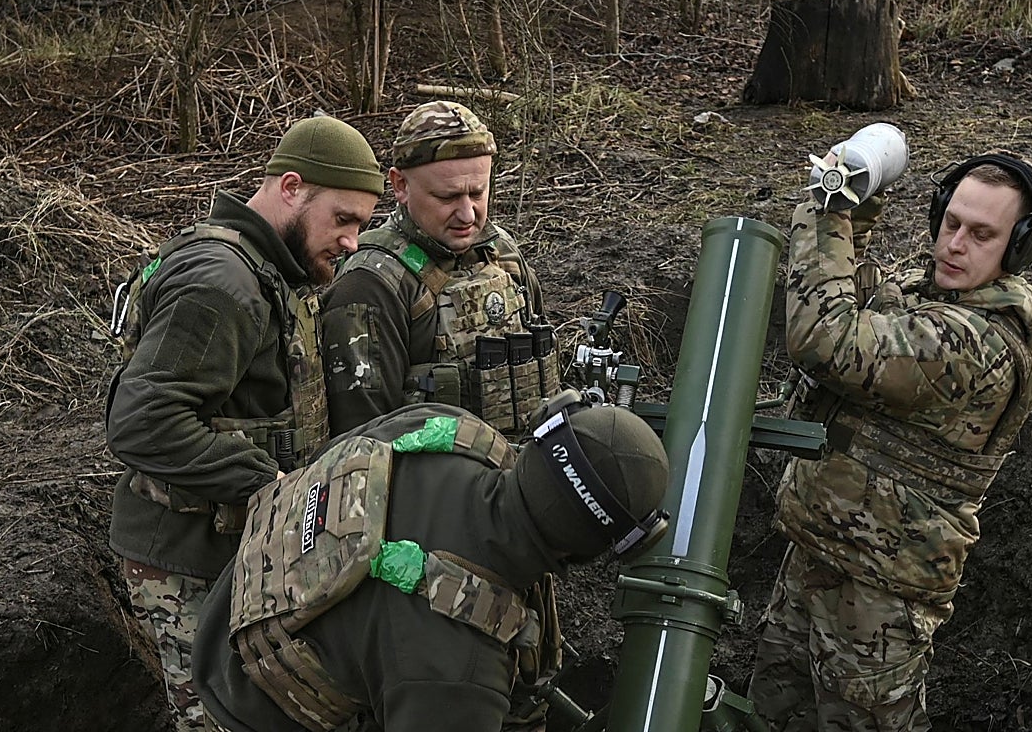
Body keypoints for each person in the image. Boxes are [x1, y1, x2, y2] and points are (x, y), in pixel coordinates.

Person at [749, 145, 1032, 730]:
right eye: (951, 223)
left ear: (1018, 248)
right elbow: (841, 288)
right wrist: (853, 207)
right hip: (816, 556)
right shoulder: (925, 298)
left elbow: (827, 339)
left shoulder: (976, 345)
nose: (955, 245)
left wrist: (825, 212)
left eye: (982, 235)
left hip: (879, 599)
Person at [105, 115, 384, 732]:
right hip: (189, 561)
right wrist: (274, 489)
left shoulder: (267, 267)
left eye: (362, 226)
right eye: (342, 219)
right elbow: (144, 423)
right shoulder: (223, 283)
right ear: (291, 188)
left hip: (237, 551)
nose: (352, 243)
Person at [191, 393, 670, 732]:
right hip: (249, 709)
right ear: (590, 552)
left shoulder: (447, 429)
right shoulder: (459, 672)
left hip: (232, 603)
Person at [321, 100, 561, 440]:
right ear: (400, 186)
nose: (468, 215)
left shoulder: (499, 250)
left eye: (477, 192)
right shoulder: (369, 286)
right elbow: (362, 445)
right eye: (448, 197)